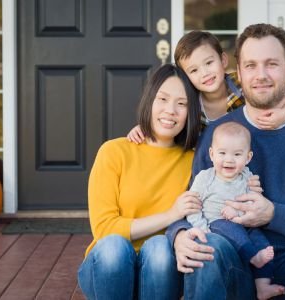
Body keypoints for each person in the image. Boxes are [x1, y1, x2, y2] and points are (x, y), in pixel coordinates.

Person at [167, 23, 285, 300]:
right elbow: (192, 200)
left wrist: (273, 214)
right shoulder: (217, 133)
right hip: (236, 261)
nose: (260, 75)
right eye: (251, 65)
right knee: (206, 247)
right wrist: (180, 233)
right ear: (239, 72)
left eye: (271, 64)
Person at [77, 64, 203, 300]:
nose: (170, 110)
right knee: (114, 246)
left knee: (159, 248)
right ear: (149, 101)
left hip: (161, 271)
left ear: (191, 112)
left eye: (182, 103)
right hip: (108, 268)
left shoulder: (195, 160)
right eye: (162, 99)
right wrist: (170, 215)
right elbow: (104, 229)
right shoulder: (114, 152)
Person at [127, 30, 285, 143]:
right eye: (194, 70)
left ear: (223, 60)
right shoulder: (189, 101)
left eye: (209, 63)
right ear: (185, 75)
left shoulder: (241, 83)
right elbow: (170, 119)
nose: (205, 73)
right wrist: (146, 127)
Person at [186, 121, 285, 299]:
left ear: (248, 157)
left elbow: (252, 206)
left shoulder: (248, 178)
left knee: (262, 242)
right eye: (222, 153)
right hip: (216, 223)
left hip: (245, 223)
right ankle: (252, 257)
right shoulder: (205, 178)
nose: (229, 159)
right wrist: (201, 228)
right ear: (211, 154)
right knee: (230, 228)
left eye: (237, 154)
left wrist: (238, 213)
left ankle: (263, 286)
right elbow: (192, 206)